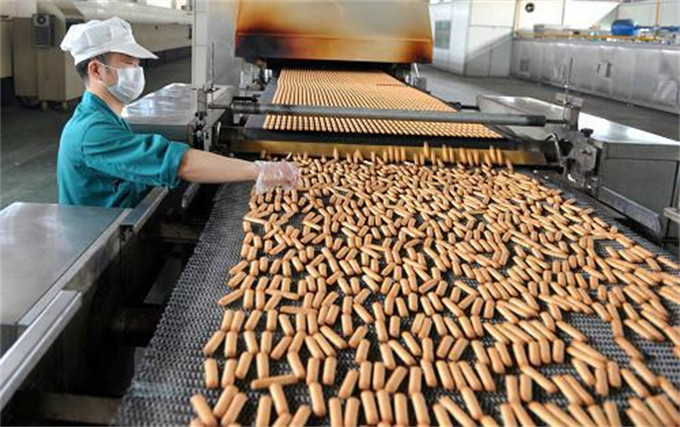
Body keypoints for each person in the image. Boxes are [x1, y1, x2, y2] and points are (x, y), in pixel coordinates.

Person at [58, 17, 298, 208]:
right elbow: (178, 163)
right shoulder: (91, 131)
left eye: (137, 63)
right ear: (96, 70)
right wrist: (258, 170)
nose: (137, 70)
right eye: (128, 62)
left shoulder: (106, 116)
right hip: (101, 235)